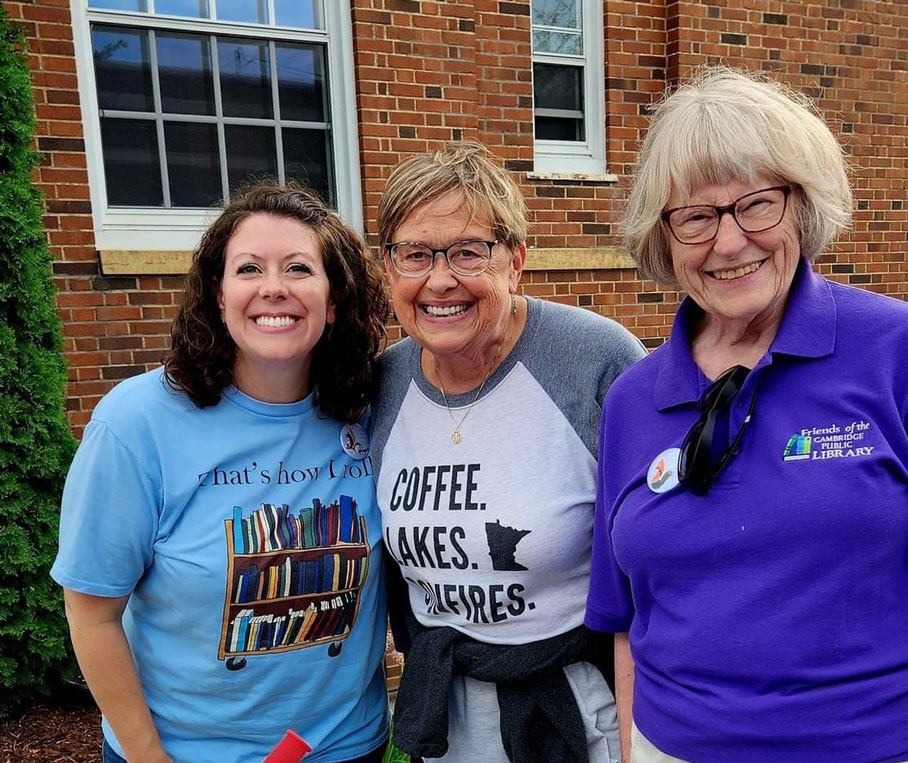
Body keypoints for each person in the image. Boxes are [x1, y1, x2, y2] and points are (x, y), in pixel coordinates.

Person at [586, 67, 908, 763]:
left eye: (757, 203)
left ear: (801, 206)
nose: (729, 242)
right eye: (696, 216)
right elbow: (629, 619)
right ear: (663, 238)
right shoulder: (633, 401)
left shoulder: (907, 353)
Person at [52, 184, 391, 763]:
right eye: (249, 268)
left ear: (333, 299)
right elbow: (92, 614)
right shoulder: (137, 423)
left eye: (300, 268)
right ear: (217, 293)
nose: (273, 288)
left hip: (346, 747)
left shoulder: (371, 407)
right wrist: (147, 756)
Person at [370, 141, 646, 763]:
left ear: (515, 260)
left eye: (468, 252)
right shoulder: (381, 386)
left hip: (585, 706)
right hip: (447, 711)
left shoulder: (596, 361)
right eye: (415, 254)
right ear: (390, 269)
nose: (440, 279)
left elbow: (658, 558)